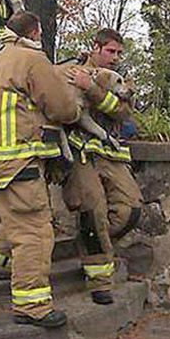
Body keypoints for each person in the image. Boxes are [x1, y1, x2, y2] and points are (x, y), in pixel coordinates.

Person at [0, 11, 98, 328]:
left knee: (15, 220)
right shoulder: (31, 59)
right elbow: (62, 108)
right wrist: (76, 106)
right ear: (35, 31)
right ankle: (33, 305)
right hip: (21, 160)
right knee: (35, 233)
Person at [61, 28, 143, 304]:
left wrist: (91, 88)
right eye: (111, 51)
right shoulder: (73, 69)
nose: (116, 57)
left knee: (131, 209)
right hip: (81, 151)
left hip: (110, 152)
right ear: (95, 48)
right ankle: (99, 281)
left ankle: (91, 243)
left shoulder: (120, 79)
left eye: (120, 52)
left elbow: (122, 110)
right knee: (92, 209)